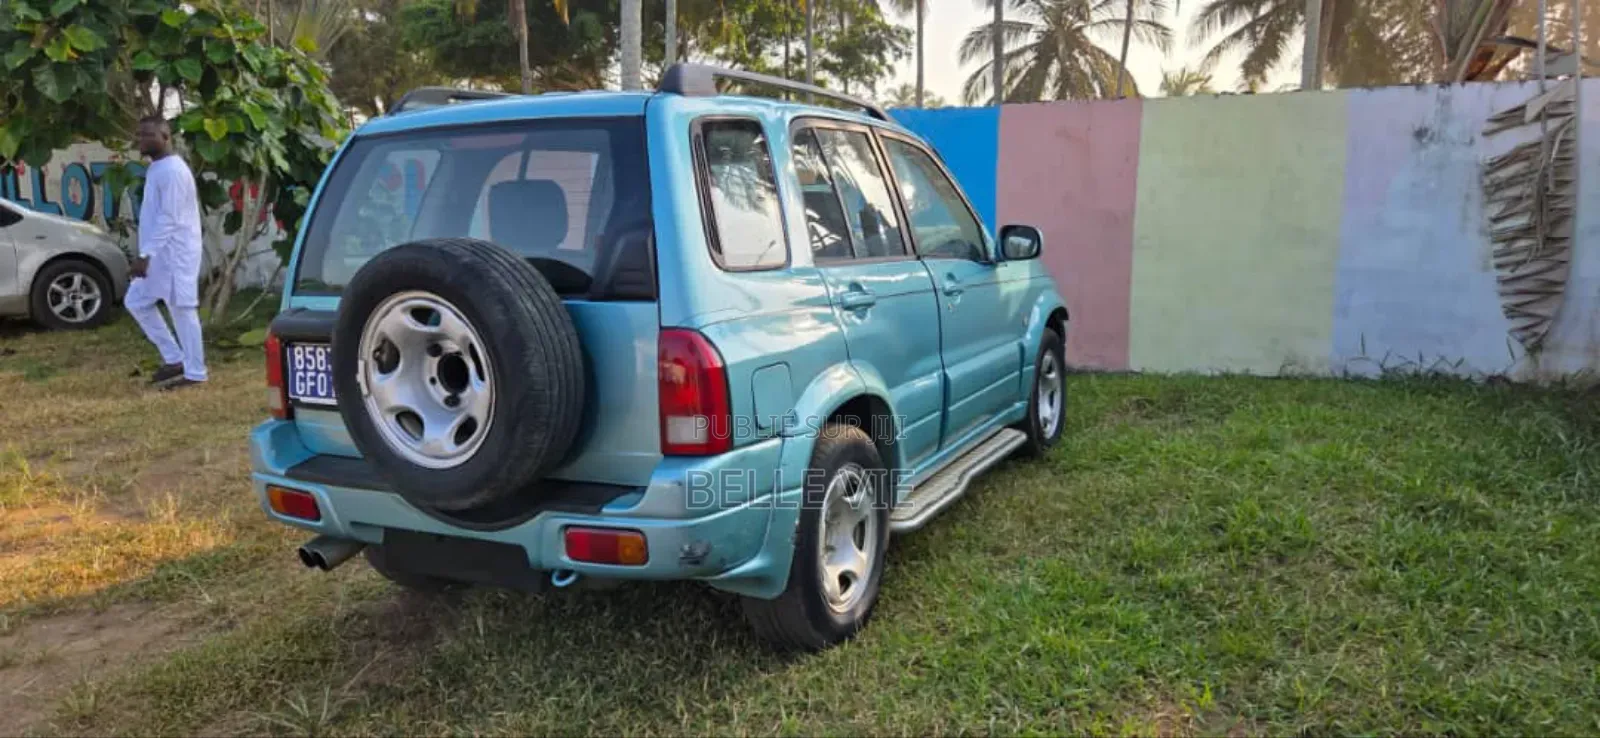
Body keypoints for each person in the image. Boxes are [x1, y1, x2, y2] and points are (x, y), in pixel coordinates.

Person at [125, 115, 207, 390]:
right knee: (136, 301)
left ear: (165, 136)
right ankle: (174, 359)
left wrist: (146, 254)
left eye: (149, 135)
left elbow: (170, 218)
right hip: (159, 253)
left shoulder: (172, 171)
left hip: (173, 253)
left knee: (182, 309)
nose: (142, 140)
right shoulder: (157, 168)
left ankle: (195, 373)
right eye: (140, 134)